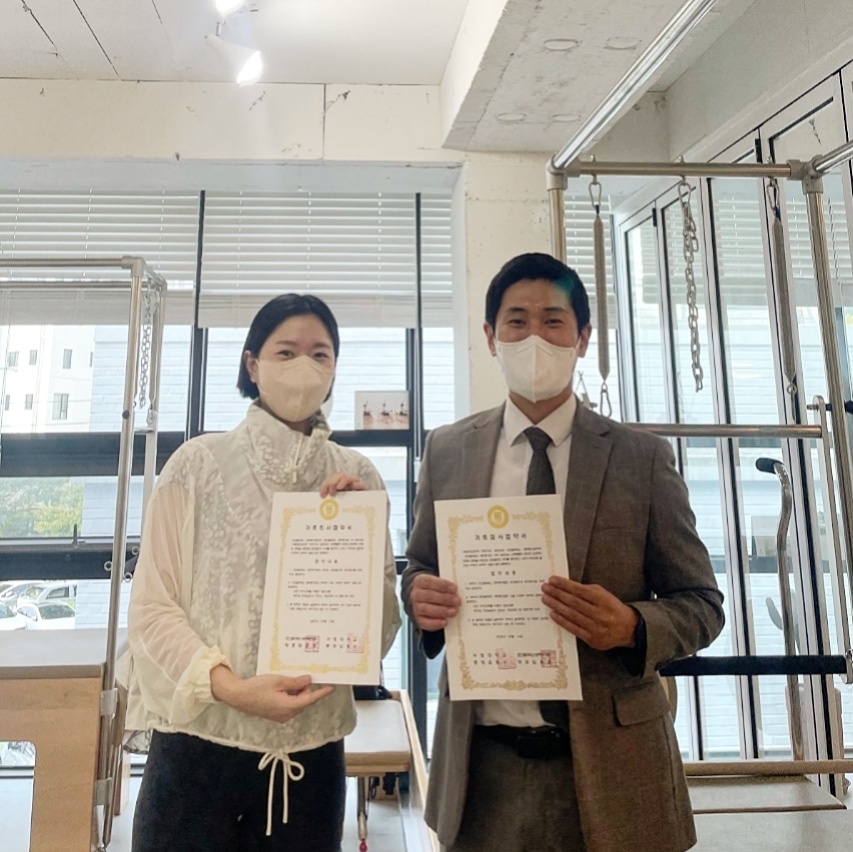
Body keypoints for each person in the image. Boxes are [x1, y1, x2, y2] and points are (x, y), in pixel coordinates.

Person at [401, 253, 724, 852]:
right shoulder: (447, 450)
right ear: (490, 337)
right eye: (516, 321)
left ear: (583, 338)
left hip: (614, 768)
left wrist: (632, 626)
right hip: (480, 771)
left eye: (553, 321)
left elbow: (703, 605)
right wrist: (418, 596)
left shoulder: (641, 458)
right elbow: (420, 566)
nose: (534, 338)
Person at [127, 293, 401, 852]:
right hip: (196, 753)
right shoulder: (196, 465)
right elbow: (153, 609)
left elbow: (381, 629)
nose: (304, 366)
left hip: (310, 760)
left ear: (334, 370)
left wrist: (357, 538)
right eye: (286, 352)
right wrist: (230, 689)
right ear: (252, 364)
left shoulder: (358, 478)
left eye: (320, 354)